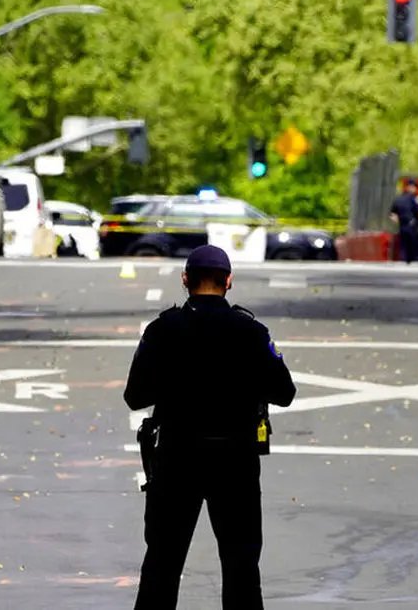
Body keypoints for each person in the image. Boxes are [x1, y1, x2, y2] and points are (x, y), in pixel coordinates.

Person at [124, 244, 296, 610]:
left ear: (185, 280)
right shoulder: (251, 332)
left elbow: (134, 396)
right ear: (228, 281)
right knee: (241, 569)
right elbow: (284, 392)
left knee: (162, 566)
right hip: (235, 460)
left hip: (177, 457)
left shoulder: (162, 330)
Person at [390, 179, 418, 263]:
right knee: (414, 246)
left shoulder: (399, 198)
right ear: (411, 187)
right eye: (415, 187)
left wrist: (396, 219)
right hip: (412, 226)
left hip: (402, 225)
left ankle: (403, 261)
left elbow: (392, 213)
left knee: (403, 246)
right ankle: (414, 261)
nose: (415, 189)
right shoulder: (416, 198)